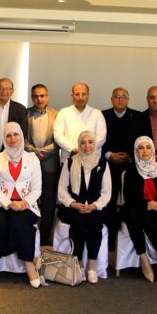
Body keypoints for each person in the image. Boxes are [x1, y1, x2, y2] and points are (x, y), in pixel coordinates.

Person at [0, 122, 43, 288]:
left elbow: (37, 189)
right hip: (0, 204)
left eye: (16, 134)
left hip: (26, 204)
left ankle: (28, 265)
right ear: (4, 138)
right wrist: (9, 203)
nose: (12, 139)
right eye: (8, 135)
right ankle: (30, 260)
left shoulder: (32, 159)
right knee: (1, 221)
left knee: (18, 221)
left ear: (22, 136)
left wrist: (25, 202)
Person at [57, 130, 111, 284]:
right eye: (83, 142)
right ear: (78, 145)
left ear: (95, 144)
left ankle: (92, 266)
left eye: (90, 142)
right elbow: (61, 190)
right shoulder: (70, 162)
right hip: (74, 206)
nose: (87, 146)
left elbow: (106, 192)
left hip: (94, 206)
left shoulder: (103, 164)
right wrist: (73, 204)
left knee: (95, 224)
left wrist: (95, 206)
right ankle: (79, 263)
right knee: (78, 224)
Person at [120, 136, 157, 283]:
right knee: (135, 216)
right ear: (136, 151)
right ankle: (144, 259)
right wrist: (147, 205)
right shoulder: (131, 170)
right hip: (135, 207)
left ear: (153, 150)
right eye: (141, 148)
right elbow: (129, 196)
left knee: (145, 217)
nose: (145, 151)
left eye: (148, 147)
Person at [102, 87, 138, 242]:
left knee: (129, 201)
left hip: (130, 165)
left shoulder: (137, 116)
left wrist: (129, 155)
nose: (120, 99)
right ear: (111, 99)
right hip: (108, 165)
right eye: (117, 96)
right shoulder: (102, 116)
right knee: (109, 202)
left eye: (123, 96)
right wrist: (110, 155)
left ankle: (127, 238)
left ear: (128, 99)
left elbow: (139, 140)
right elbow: (98, 141)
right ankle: (110, 239)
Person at [25, 84, 59, 246]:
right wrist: (34, 152)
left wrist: (43, 152)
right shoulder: (26, 114)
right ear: (32, 97)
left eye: (42, 95)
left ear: (47, 96)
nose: (39, 99)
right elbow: (23, 139)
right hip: (30, 163)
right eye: (36, 96)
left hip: (50, 163)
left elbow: (59, 140)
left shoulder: (56, 115)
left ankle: (45, 236)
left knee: (48, 201)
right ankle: (28, 232)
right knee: (29, 198)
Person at [53, 82, 106, 161]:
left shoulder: (97, 113)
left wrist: (87, 148)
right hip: (69, 157)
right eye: (77, 94)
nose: (80, 97)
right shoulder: (63, 112)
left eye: (83, 94)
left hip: (92, 160)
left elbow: (101, 137)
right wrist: (73, 148)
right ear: (72, 96)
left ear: (88, 96)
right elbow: (58, 135)